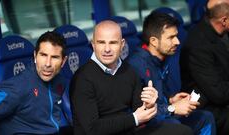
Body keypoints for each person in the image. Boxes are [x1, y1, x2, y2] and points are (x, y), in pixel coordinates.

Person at [70, 20, 193, 135]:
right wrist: (134, 119)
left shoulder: (128, 71)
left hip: (129, 130)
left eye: (113, 42)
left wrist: (149, 105)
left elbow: (140, 113)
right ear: (93, 44)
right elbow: (91, 129)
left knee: (182, 132)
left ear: (122, 44)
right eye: (101, 42)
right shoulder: (82, 78)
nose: (107, 49)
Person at [127, 12, 216, 135]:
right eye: (171, 37)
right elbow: (139, 110)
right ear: (153, 41)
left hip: (163, 115)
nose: (177, 42)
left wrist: (170, 100)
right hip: (144, 125)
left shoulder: (162, 58)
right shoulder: (136, 66)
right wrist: (172, 108)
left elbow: (158, 98)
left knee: (205, 117)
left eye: (177, 36)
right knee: (176, 127)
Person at [0, 31, 69, 135]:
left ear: (63, 61)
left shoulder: (60, 82)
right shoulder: (17, 87)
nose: (48, 64)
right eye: (43, 55)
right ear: (35, 55)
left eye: (54, 57)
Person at [180, 0, 229, 134]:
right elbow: (218, 93)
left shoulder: (222, 33)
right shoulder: (198, 45)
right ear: (224, 20)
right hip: (208, 107)